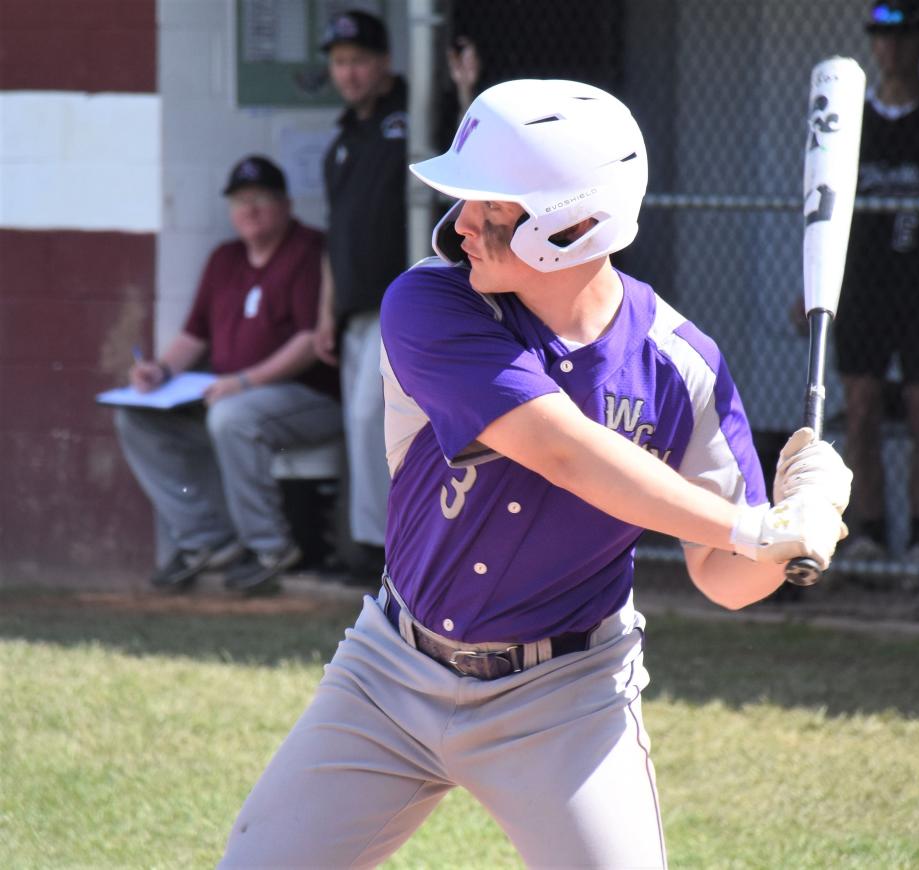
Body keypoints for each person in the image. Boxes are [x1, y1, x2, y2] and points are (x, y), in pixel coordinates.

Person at [220, 80, 851, 868]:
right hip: (391, 673)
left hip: (567, 698)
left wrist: (800, 517)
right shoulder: (428, 303)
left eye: (494, 208)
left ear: (576, 224)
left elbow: (725, 580)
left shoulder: (680, 365)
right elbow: (560, 448)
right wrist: (757, 526)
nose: (462, 226)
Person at [115, 156, 340, 594]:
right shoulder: (225, 257)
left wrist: (242, 383)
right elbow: (193, 335)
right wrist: (158, 370)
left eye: (260, 200)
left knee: (231, 417)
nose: (249, 211)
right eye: (239, 202)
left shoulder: (308, 250)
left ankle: (270, 548)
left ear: (287, 204)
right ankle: (206, 539)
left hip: (307, 398)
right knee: (135, 419)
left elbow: (309, 341)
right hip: (229, 397)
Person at [835, 0, 919, 564]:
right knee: (859, 406)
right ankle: (871, 535)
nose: (891, 48)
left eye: (904, 36)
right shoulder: (850, 126)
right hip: (862, 289)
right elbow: (826, 214)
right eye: (881, 37)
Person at [313, 9, 404, 581]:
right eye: (340, 63)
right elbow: (334, 229)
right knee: (362, 427)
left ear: (384, 63)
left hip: (402, 303)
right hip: (352, 311)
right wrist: (324, 310)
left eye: (358, 61)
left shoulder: (414, 115)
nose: (348, 74)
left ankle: (388, 549)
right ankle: (372, 551)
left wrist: (464, 83)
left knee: (379, 423)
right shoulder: (343, 137)